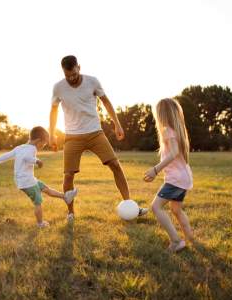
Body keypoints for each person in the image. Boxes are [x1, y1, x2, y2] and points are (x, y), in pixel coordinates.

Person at [50, 55, 148, 221]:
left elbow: (106, 102)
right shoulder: (58, 87)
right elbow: (53, 110)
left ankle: (130, 205)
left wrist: (117, 123)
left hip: (95, 132)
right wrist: (51, 133)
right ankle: (70, 212)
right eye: (68, 76)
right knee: (68, 175)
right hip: (73, 136)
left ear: (78, 67)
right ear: (63, 73)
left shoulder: (92, 81)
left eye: (74, 74)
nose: (72, 78)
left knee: (115, 165)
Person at [0, 126, 77, 228]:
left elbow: (5, 156)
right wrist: (36, 161)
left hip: (26, 180)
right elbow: (27, 157)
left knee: (45, 188)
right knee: (38, 202)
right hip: (27, 182)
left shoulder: (19, 148)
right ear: (38, 141)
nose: (44, 145)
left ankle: (65, 197)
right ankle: (40, 223)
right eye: (44, 143)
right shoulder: (32, 149)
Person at [144, 98, 194, 252]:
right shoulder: (177, 131)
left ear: (161, 115)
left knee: (156, 207)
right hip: (184, 178)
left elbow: (173, 153)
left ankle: (176, 241)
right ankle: (190, 238)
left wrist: (155, 169)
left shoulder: (167, 131)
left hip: (176, 180)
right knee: (176, 209)